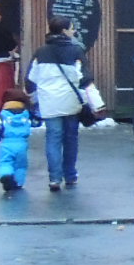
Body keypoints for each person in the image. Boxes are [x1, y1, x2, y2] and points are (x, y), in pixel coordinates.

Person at [26, 17, 94, 192]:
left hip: (49, 102)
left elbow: (30, 80)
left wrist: (34, 98)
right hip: (71, 102)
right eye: (71, 28)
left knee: (53, 139)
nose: (73, 31)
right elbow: (85, 78)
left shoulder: (40, 52)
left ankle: (54, 179)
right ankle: (70, 175)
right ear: (64, 31)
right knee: (70, 139)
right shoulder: (76, 51)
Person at [0, 89, 36, 193]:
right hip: (22, 143)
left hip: (7, 143)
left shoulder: (2, 115)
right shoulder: (27, 114)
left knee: (5, 162)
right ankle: (18, 183)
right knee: (21, 165)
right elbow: (36, 123)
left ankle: (6, 175)